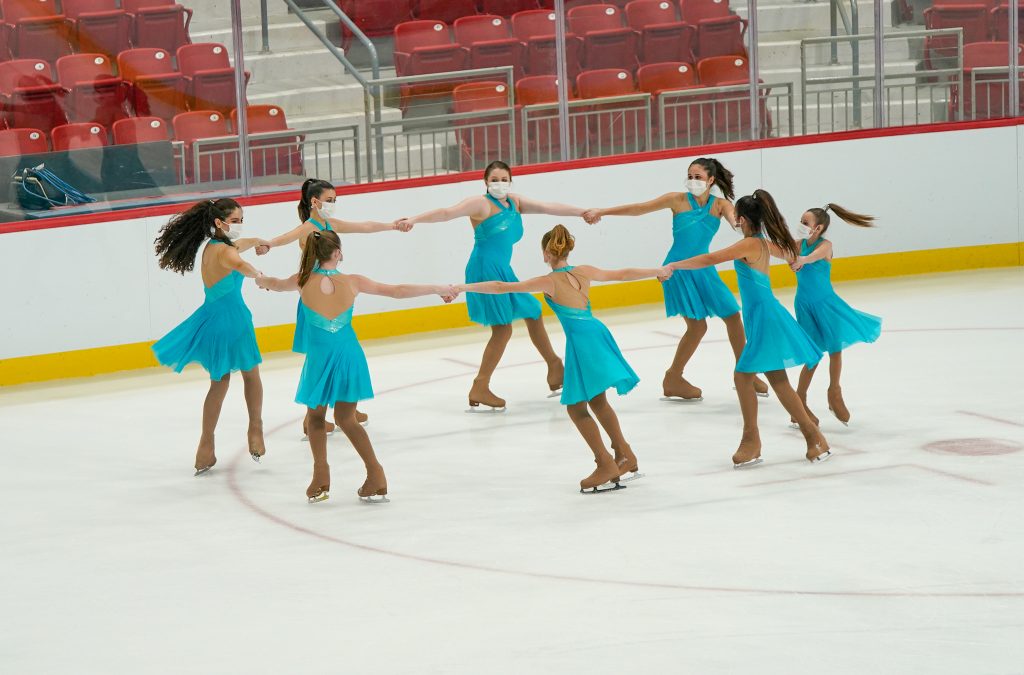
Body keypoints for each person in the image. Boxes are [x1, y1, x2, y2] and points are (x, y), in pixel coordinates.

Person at [456, 225, 669, 493]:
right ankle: (625, 455)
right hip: (596, 332)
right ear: (569, 249)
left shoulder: (548, 281)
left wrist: (462, 287)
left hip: (582, 341)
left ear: (546, 253)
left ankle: (605, 463)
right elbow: (623, 273)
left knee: (577, 408)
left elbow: (501, 286)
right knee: (598, 401)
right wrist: (657, 271)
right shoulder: (585, 271)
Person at [256, 230, 457, 503]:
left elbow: (276, 284)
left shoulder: (302, 280)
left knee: (315, 419)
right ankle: (376, 474)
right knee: (346, 419)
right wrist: (437, 288)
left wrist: (261, 279)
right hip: (349, 354)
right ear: (338, 253)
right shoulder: (353, 282)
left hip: (319, 358)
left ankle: (321, 476)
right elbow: (397, 291)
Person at [396, 160, 591, 411]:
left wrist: (581, 211)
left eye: (504, 179)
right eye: (494, 180)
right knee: (502, 330)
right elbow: (446, 212)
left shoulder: (515, 202)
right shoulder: (480, 204)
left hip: (503, 269)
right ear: (486, 182)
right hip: (483, 268)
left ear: (510, 181)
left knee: (532, 310)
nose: (499, 184)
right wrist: (414, 219)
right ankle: (481, 385)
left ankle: (555, 367)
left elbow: (547, 207)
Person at [663, 190, 830, 467]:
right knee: (777, 381)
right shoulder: (761, 243)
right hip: (763, 315)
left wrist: (674, 265)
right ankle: (811, 437)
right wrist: (795, 258)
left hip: (764, 316)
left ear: (741, 219)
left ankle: (754, 440)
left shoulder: (750, 244)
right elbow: (789, 253)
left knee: (744, 377)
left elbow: (709, 259)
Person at [583, 157, 770, 401]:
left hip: (703, 268)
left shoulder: (720, 205)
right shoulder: (677, 199)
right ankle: (674, 378)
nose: (692, 181)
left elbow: (740, 225)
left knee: (733, 317)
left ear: (711, 180)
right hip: (677, 268)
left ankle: (744, 372)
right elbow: (640, 208)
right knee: (697, 326)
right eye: (690, 176)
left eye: (698, 177)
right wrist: (603, 211)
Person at [257, 178, 409, 435]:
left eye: (335, 200)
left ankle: (344, 406)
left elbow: (364, 226)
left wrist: (391, 225)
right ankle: (312, 418)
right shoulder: (308, 227)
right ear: (314, 202)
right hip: (315, 299)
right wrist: (268, 244)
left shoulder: (330, 224)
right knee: (322, 360)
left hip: (331, 293)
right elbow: (285, 237)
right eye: (330, 200)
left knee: (338, 352)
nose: (333, 204)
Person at [152, 198, 268, 476]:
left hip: (212, 319)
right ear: (220, 222)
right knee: (251, 374)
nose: (239, 226)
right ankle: (255, 428)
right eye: (236, 221)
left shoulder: (212, 247)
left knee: (219, 382)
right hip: (235, 320)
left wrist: (258, 241)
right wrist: (261, 276)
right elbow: (242, 265)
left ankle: (206, 444)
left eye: (241, 220)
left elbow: (238, 245)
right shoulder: (228, 254)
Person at [790, 203, 881, 426]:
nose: (801, 226)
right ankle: (798, 402)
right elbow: (786, 254)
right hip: (804, 305)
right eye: (801, 221)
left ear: (818, 228)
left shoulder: (826, 246)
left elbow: (811, 258)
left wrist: (800, 260)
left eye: (805, 223)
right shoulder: (796, 244)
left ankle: (834, 392)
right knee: (812, 355)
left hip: (827, 304)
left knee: (835, 349)